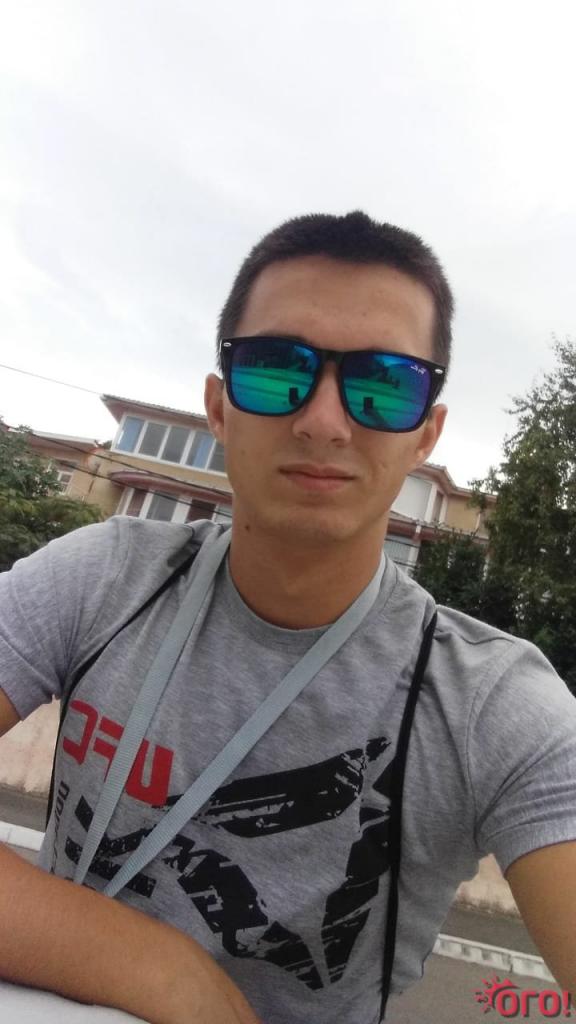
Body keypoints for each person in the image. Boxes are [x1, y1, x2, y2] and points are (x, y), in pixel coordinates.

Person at [1, 210, 575, 1024]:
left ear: (426, 433)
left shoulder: (490, 705)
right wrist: (155, 967)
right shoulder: (104, 579)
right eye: (277, 371)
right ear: (219, 408)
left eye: (384, 384)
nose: (324, 421)